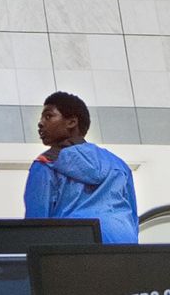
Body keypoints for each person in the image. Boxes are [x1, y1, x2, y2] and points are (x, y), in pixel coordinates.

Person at [24, 91, 138, 244]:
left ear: (71, 122)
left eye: (48, 116)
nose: (40, 123)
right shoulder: (118, 165)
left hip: (73, 251)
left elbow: (36, 227)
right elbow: (133, 218)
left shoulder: (46, 164)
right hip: (124, 247)